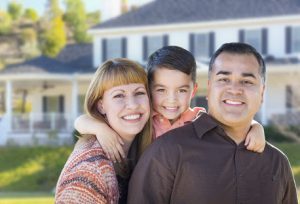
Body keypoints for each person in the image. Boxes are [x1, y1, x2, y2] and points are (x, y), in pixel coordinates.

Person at [127, 43, 298, 204]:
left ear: (262, 93)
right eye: (224, 79)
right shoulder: (166, 151)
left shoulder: (277, 163)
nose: (234, 89)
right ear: (208, 88)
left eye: (247, 81)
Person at [74, 46, 266, 163]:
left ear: (193, 90)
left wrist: (256, 127)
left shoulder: (199, 120)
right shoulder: (143, 119)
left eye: (181, 90)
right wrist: (101, 129)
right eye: (161, 90)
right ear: (148, 90)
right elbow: (81, 121)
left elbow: (231, 126)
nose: (171, 100)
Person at [55, 58, 152, 204]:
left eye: (139, 93)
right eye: (119, 95)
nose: (132, 105)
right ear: (101, 106)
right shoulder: (89, 171)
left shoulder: (143, 148)